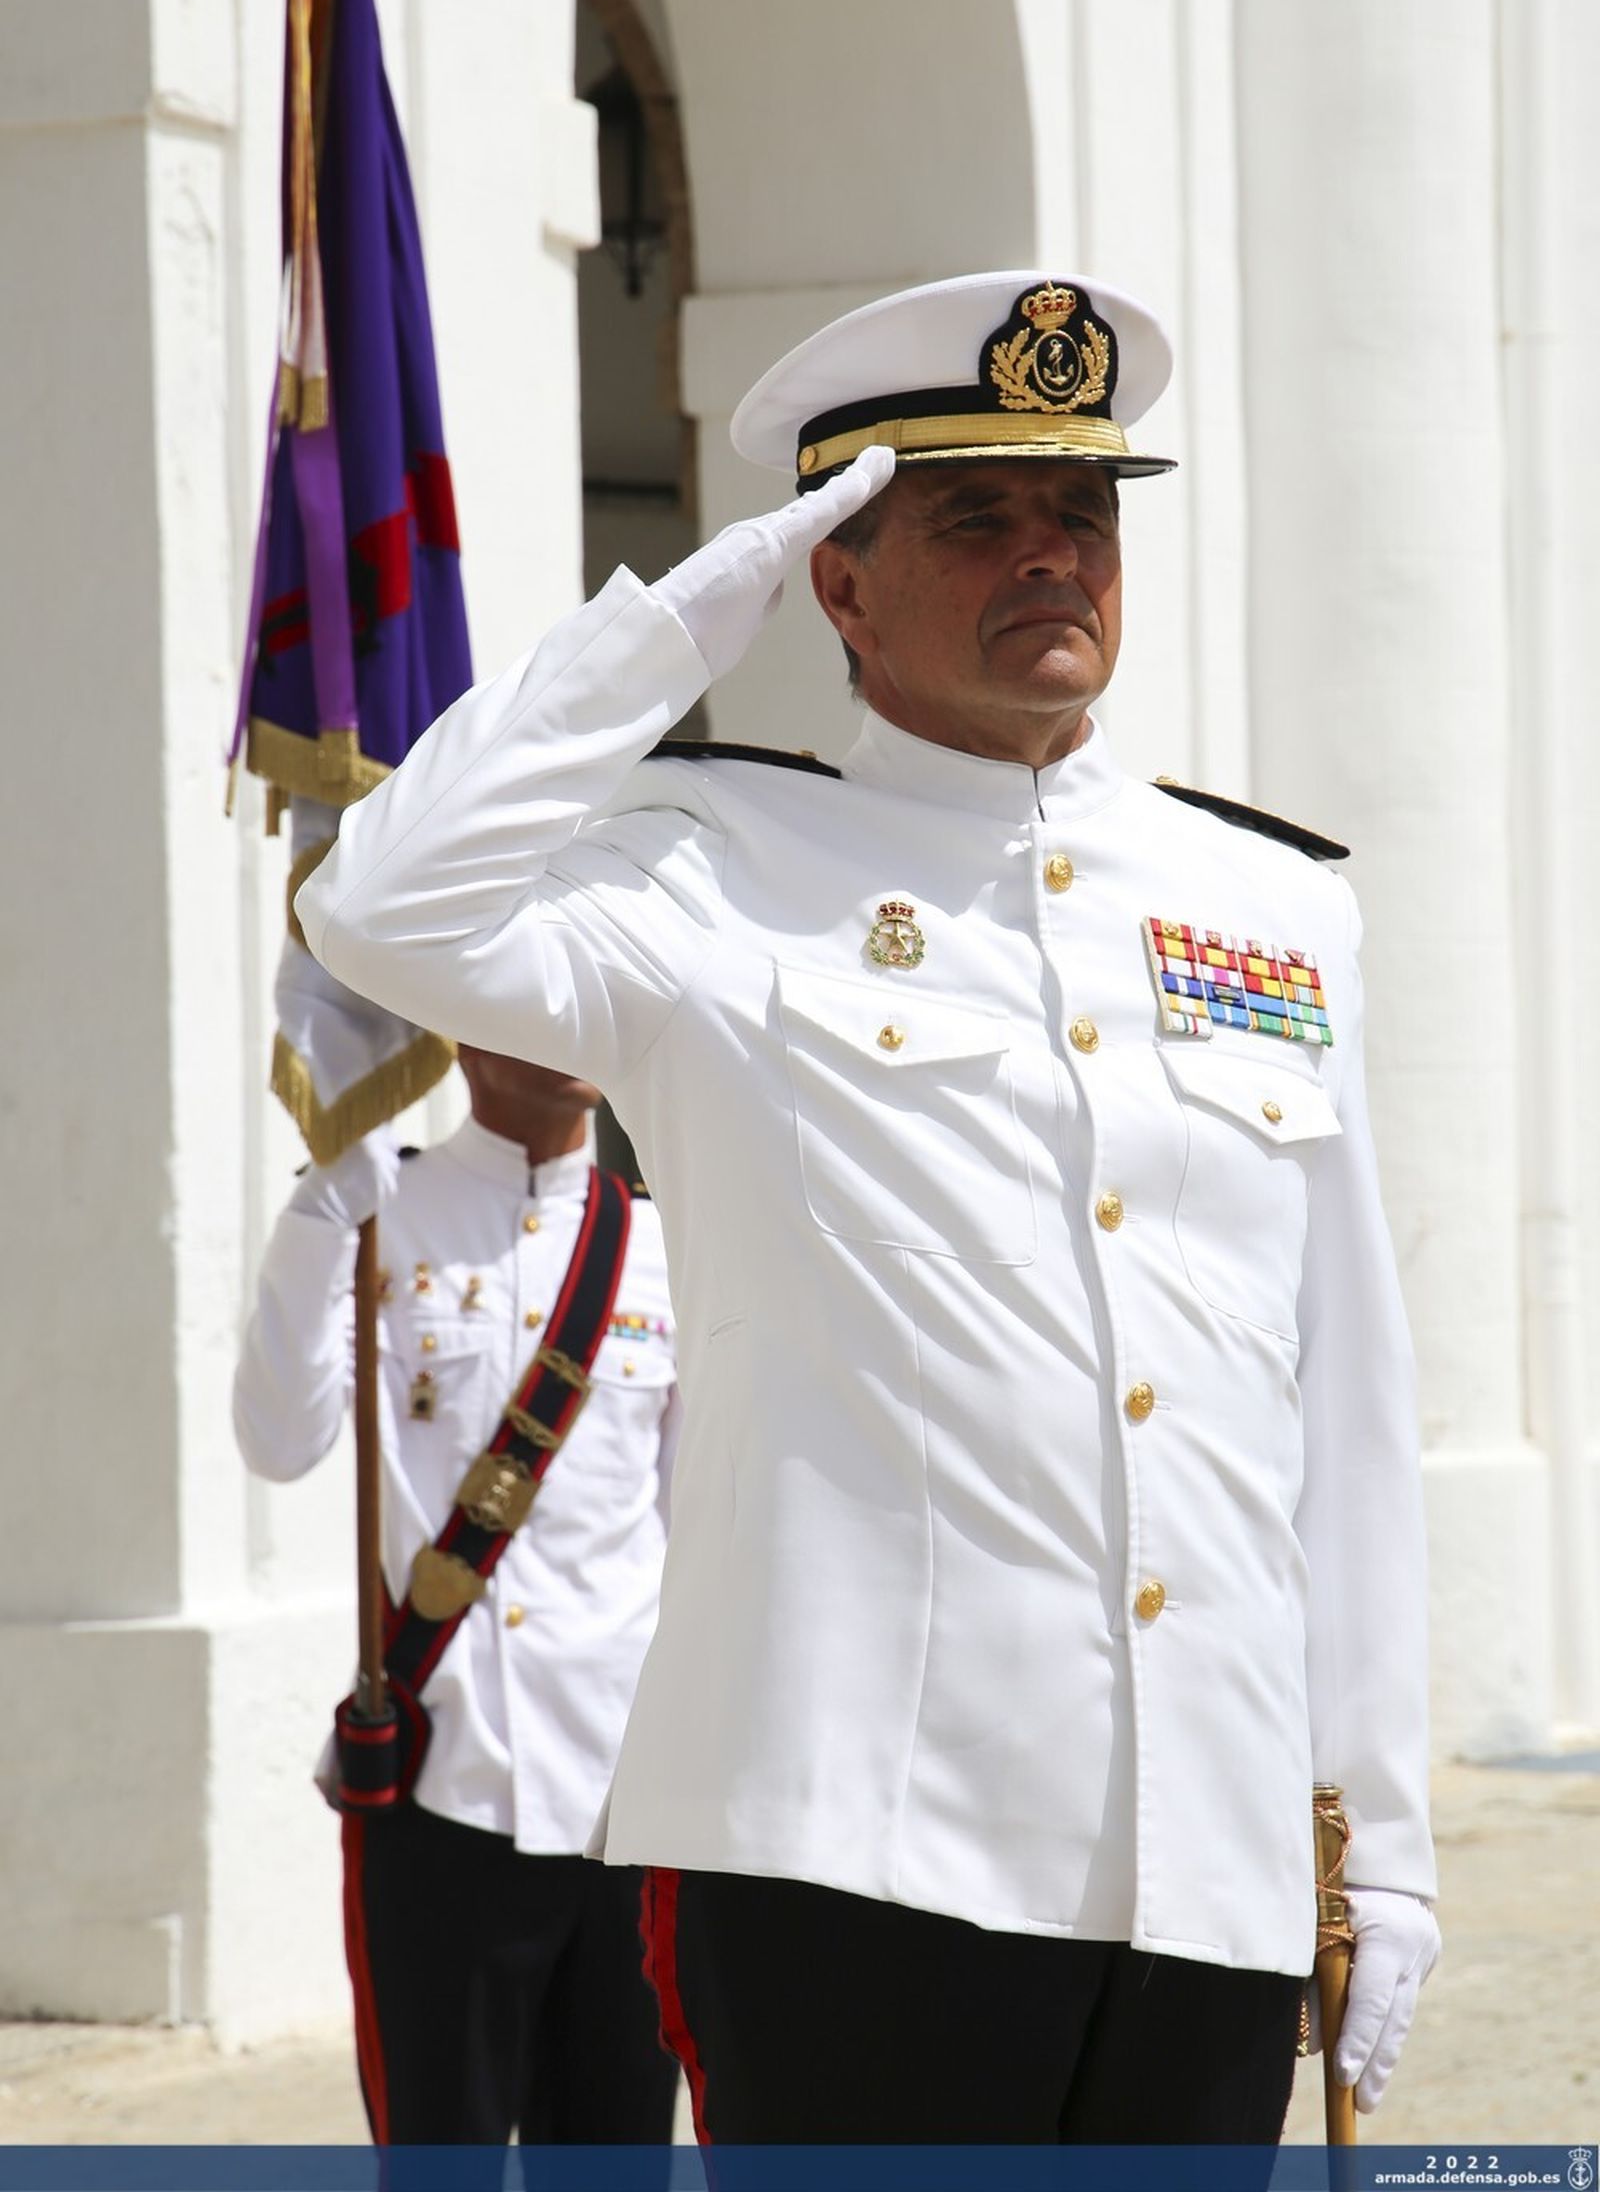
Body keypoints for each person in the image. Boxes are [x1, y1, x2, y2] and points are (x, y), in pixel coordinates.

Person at [293, 272, 1441, 2147]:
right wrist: (675, 626)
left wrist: (1374, 1838)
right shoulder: (709, 871)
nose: (1049, 558)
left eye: (1083, 515)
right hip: (853, 1856)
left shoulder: (1275, 907)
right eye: (975, 519)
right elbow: (377, 912)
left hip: (1206, 1863)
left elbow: (1345, 1414)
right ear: (838, 579)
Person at [233, 1046, 682, 2149]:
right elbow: (279, 1444)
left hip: (621, 1807)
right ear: (460, 1029)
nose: (567, 1036)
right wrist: (314, 1226)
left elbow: (691, 1526)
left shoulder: (665, 1250)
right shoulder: (383, 1217)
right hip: (445, 1791)